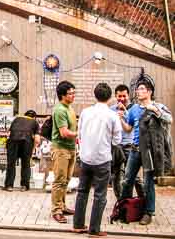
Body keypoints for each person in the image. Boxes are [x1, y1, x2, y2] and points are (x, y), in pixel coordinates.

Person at [119, 80, 172, 225]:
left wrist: (154, 109)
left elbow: (169, 119)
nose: (138, 91)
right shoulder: (134, 109)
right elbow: (128, 129)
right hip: (135, 150)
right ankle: (125, 208)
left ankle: (148, 213)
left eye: (141, 89)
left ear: (149, 92)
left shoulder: (158, 106)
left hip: (150, 152)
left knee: (148, 183)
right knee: (127, 180)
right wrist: (121, 118)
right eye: (137, 89)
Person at [72, 83, 122, 237]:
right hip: (102, 159)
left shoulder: (85, 112)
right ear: (110, 97)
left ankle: (78, 225)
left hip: (85, 158)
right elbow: (117, 140)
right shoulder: (112, 115)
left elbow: (79, 134)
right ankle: (94, 229)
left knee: (82, 191)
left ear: (95, 95)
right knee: (100, 195)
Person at [110, 84, 143, 200]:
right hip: (117, 146)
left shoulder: (134, 109)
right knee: (116, 174)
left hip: (130, 145)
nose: (122, 99)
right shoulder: (111, 110)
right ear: (115, 96)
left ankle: (143, 199)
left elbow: (133, 127)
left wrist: (125, 113)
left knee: (135, 176)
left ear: (128, 95)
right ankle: (121, 201)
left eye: (124, 96)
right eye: (119, 96)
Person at [51, 80, 78, 224]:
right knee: (59, 180)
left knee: (66, 180)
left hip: (70, 148)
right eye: (70, 93)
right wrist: (79, 134)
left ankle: (62, 206)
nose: (73, 95)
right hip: (61, 149)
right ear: (62, 95)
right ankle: (56, 210)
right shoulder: (60, 110)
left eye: (74, 92)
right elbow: (64, 132)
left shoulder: (70, 108)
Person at [4, 110, 41, 192]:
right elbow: (37, 140)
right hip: (26, 143)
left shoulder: (16, 119)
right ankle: (24, 186)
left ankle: (9, 186)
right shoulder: (34, 122)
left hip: (13, 142)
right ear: (34, 117)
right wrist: (33, 149)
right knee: (25, 164)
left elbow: (8, 134)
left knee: (11, 164)